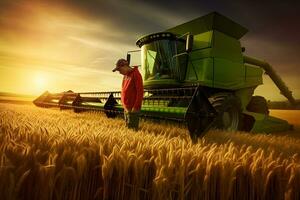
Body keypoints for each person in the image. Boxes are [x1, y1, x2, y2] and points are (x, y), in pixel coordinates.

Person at [112, 58, 144, 131]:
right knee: (127, 129)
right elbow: (123, 90)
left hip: (133, 108)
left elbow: (140, 92)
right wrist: (123, 104)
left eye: (119, 70)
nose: (119, 72)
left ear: (125, 66)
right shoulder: (125, 76)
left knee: (132, 130)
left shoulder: (136, 74)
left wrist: (136, 107)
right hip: (126, 108)